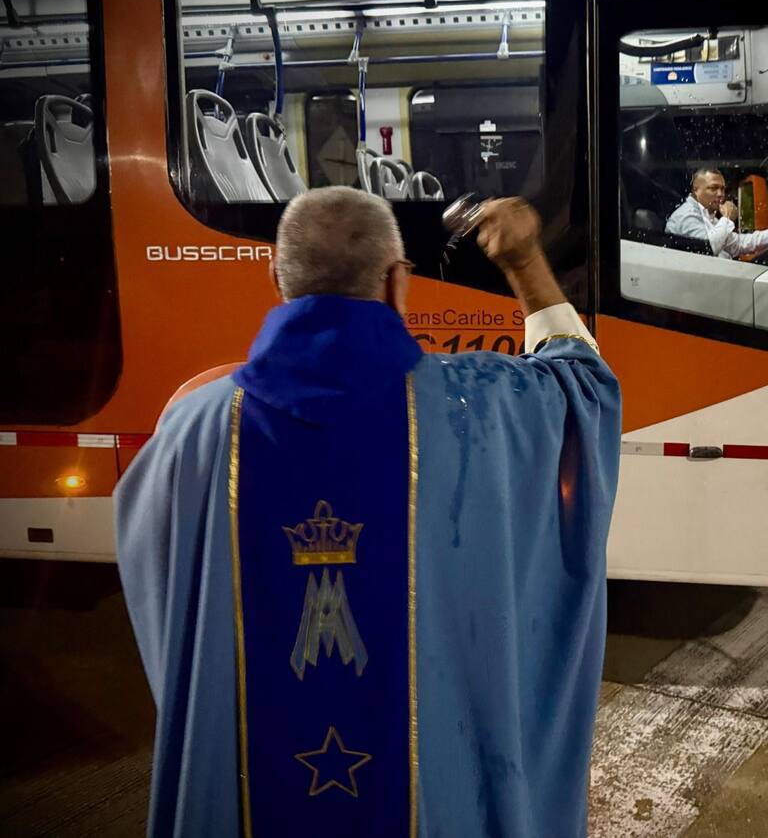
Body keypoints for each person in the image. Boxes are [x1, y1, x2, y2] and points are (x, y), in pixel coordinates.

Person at [115, 186, 621, 838]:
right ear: (396, 282)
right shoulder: (477, 406)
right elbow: (585, 386)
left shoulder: (194, 429)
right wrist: (523, 261)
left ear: (276, 277)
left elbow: (162, 594)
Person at [665, 168, 768, 259]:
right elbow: (708, 247)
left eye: (722, 189)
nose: (720, 194)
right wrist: (728, 217)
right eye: (713, 188)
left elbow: (737, 244)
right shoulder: (686, 215)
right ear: (696, 190)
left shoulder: (709, 217)